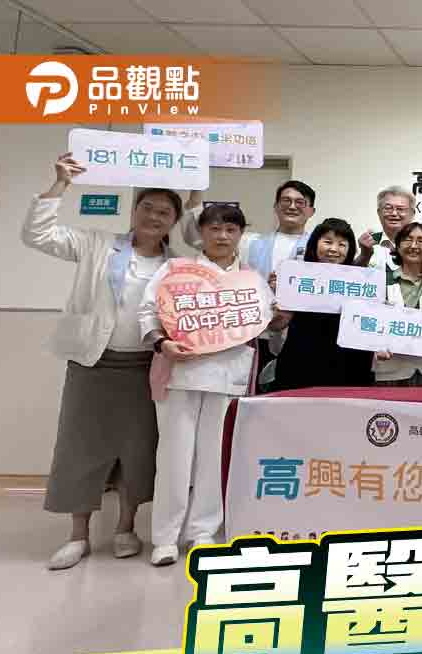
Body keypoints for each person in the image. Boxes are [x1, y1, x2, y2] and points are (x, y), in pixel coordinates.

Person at [23, 152, 195, 569]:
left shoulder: (179, 265)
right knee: (80, 448)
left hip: (146, 369)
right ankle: (78, 535)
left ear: (174, 221)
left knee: (138, 451)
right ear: (134, 210)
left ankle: (125, 528)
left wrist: (196, 198)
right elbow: (37, 234)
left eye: (165, 212)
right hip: (93, 364)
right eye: (147, 207)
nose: (154, 216)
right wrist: (61, 183)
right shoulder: (97, 244)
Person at [139, 204, 285, 566]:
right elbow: (149, 311)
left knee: (214, 457)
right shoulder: (175, 269)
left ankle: (203, 532)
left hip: (228, 375)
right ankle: (165, 537)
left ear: (240, 235)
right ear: (201, 233)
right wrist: (161, 343)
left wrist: (284, 312)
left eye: (231, 230)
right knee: (173, 457)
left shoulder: (252, 279)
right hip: (181, 374)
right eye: (215, 229)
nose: (222, 236)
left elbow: (267, 323)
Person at [181, 181, 317, 392]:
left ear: (311, 211)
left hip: (300, 337)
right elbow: (200, 239)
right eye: (286, 200)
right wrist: (196, 194)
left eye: (300, 202)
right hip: (254, 335)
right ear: (275, 207)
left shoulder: (320, 248)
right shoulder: (249, 242)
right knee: (252, 399)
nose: (292, 206)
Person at [272, 219, 375, 390]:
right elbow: (278, 324)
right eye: (328, 242)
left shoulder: (361, 281)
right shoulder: (296, 276)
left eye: (342, 244)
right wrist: (275, 297)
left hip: (349, 366)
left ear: (349, 250)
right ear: (314, 244)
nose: (334, 249)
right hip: (301, 363)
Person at [375, 223, 422, 387]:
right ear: (398, 246)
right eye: (408, 240)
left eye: (421, 241)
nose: (414, 246)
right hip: (390, 369)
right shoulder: (381, 280)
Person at [357, 186, 415, 270]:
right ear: (379, 212)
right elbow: (349, 274)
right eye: (388, 208)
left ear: (412, 214)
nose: (394, 213)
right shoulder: (365, 243)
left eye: (400, 209)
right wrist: (364, 255)